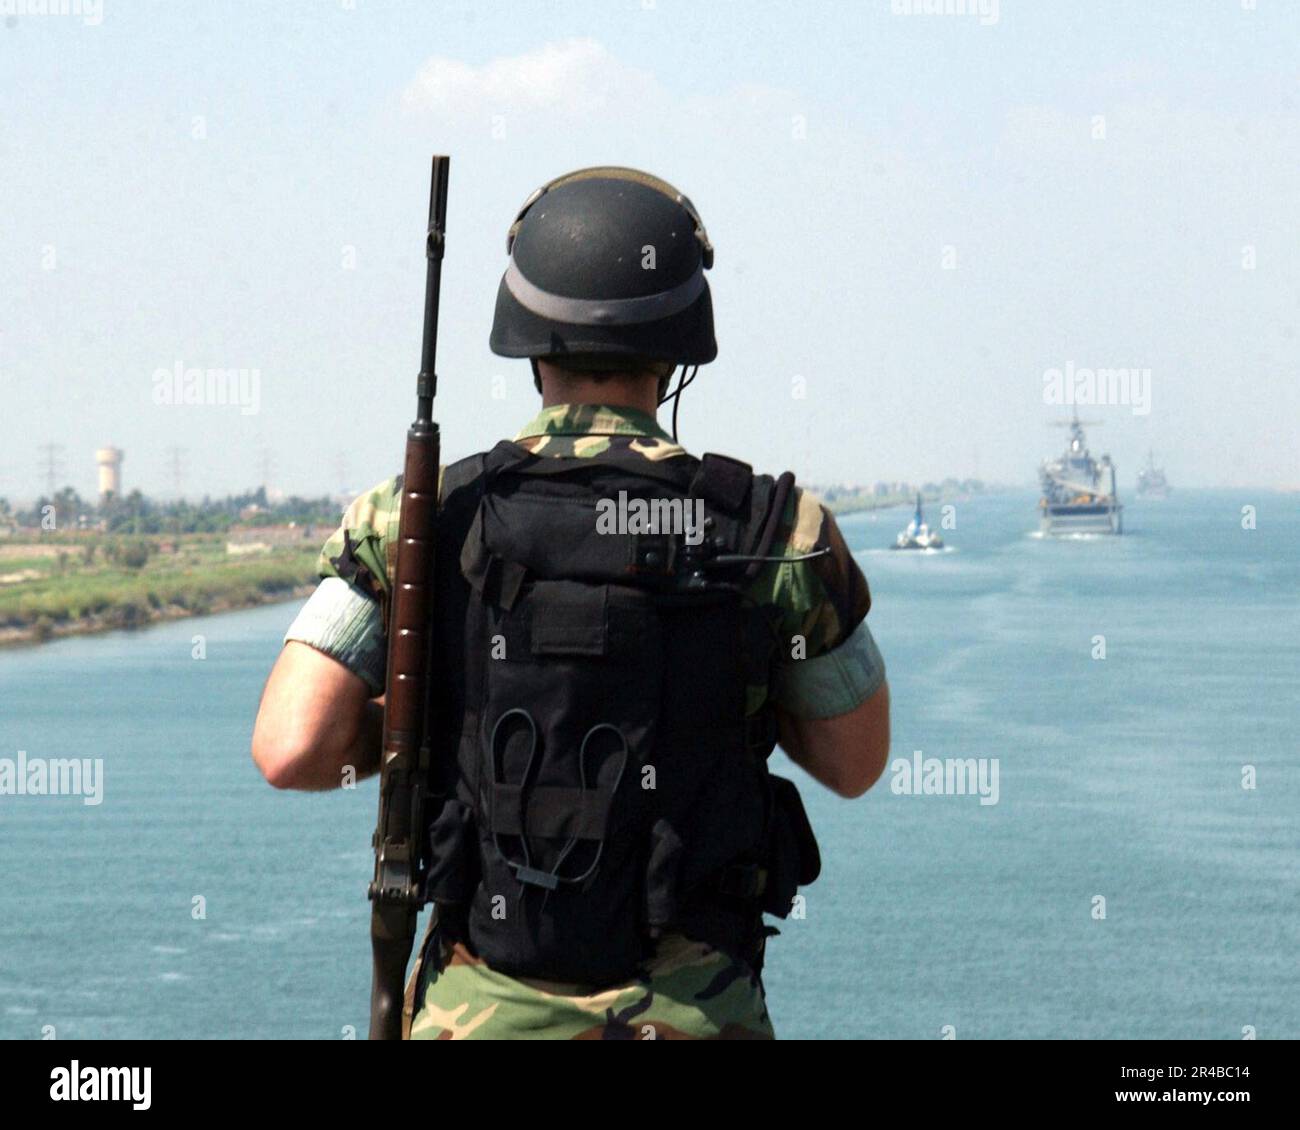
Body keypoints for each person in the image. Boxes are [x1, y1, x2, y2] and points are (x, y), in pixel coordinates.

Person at [252, 166, 890, 1039]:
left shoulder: (413, 520)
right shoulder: (779, 533)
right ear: (680, 344)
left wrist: (424, 723)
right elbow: (855, 763)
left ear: (525, 337)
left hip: (473, 1012)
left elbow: (292, 749)